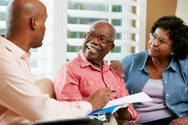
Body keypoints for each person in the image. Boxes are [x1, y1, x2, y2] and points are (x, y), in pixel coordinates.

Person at [0, 0, 112, 124]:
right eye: (45, 21)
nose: (45, 28)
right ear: (34, 22)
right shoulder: (3, 60)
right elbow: (42, 111)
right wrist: (90, 104)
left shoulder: (16, 56)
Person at [54, 20, 139, 124]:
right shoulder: (69, 70)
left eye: (102, 39)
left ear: (110, 47)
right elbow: (72, 114)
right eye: (91, 35)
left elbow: (132, 112)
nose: (94, 41)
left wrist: (125, 115)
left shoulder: (114, 73)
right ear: (85, 37)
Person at [110, 16, 188, 125]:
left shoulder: (184, 67)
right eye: (154, 36)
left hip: (170, 122)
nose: (154, 43)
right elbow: (111, 91)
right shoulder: (130, 61)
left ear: (174, 49)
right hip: (134, 122)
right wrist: (110, 68)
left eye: (162, 41)